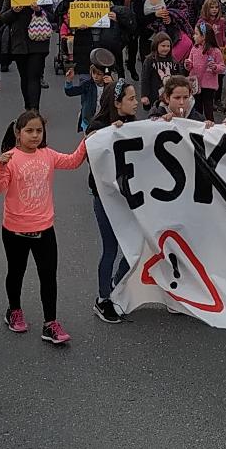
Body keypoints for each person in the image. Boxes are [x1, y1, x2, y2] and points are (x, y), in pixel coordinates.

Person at [0, 110, 88, 343]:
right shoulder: (10, 158)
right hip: (15, 229)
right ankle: (14, 310)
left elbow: (73, 161)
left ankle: (50, 323)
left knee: (48, 276)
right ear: (18, 133)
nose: (35, 135)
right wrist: (0, 167)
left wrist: (88, 140)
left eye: (38, 131)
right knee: (16, 272)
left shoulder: (48, 155)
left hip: (44, 228)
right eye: (29, 131)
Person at [86, 81, 139, 322]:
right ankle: (103, 299)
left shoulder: (135, 125)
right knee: (111, 248)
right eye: (131, 98)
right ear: (117, 103)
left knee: (135, 246)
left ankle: (118, 281)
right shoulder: (98, 126)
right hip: (106, 199)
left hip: (130, 198)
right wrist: (108, 135)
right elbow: (91, 156)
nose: (136, 102)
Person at [0, 0, 52, 111]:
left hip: (38, 40)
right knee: (25, 77)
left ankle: (35, 110)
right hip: (19, 41)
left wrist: (38, 10)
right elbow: (3, 18)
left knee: (34, 75)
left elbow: (52, 17)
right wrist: (14, 11)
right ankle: (28, 107)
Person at [184, 22, 225, 120]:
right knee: (197, 109)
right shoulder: (194, 48)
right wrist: (188, 64)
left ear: (204, 36)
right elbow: (190, 64)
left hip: (208, 85)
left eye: (196, 34)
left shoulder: (215, 51)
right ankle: (198, 127)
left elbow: (222, 67)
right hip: (195, 84)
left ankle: (210, 127)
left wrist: (215, 67)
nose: (194, 36)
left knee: (208, 108)